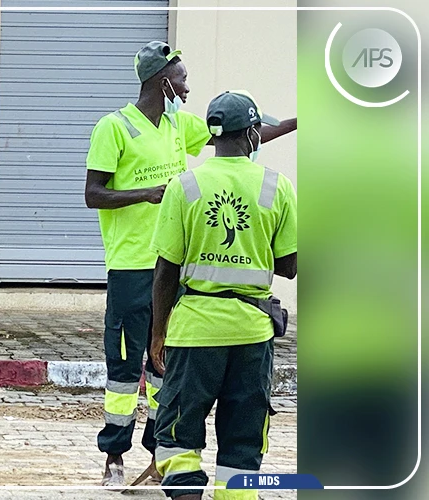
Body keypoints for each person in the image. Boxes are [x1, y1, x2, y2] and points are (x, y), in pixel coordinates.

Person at [84, 41, 295, 486]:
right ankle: (113, 455)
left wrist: (298, 122)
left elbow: (237, 135)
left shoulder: (180, 125)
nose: (187, 86)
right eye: (182, 79)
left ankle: (159, 449)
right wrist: (145, 194)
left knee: (166, 364)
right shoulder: (114, 127)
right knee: (124, 369)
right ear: (164, 81)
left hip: (175, 268)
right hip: (131, 264)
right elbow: (93, 194)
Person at [149, 90, 297, 500]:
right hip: (251, 333)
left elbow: (165, 271)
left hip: (194, 332)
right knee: (242, 440)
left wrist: (159, 332)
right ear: (252, 133)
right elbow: (288, 266)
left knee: (178, 435)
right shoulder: (276, 186)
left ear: (214, 137)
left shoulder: (185, 186)